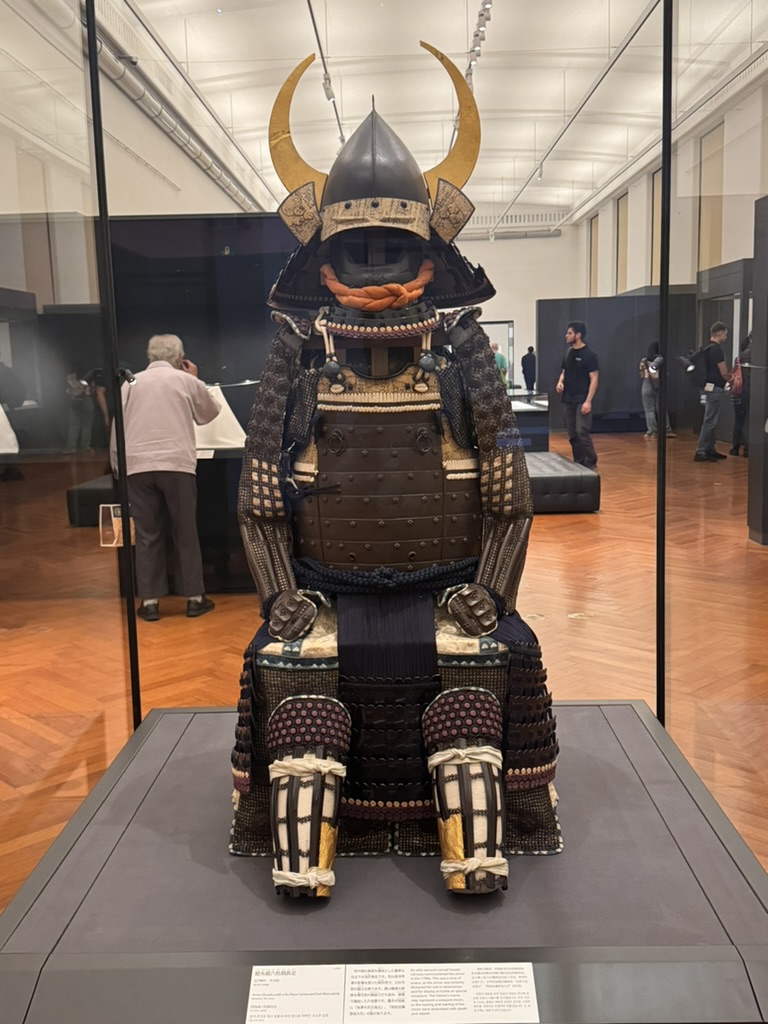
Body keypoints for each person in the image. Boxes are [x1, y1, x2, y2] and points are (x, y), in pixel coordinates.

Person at [112, 334, 221, 620]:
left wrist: (116, 465)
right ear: (179, 357)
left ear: (149, 356)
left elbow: (117, 428)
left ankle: (149, 602)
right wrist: (196, 378)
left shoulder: (130, 383)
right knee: (185, 531)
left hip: (137, 465)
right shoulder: (184, 380)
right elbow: (209, 414)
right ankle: (195, 598)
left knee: (147, 534)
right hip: (177, 464)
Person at [556, 320, 599, 469]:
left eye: (569, 333)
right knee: (572, 433)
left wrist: (588, 401)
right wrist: (560, 382)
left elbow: (594, 378)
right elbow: (564, 371)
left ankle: (591, 461)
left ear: (578, 335)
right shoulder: (567, 353)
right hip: (568, 398)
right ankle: (579, 463)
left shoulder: (589, 355)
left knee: (582, 432)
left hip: (582, 399)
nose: (566, 336)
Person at [693, 321, 731, 463]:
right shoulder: (717, 350)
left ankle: (710, 449)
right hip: (715, 389)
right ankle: (702, 450)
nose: (726, 337)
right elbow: (723, 371)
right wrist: (732, 379)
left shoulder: (706, 348)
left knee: (711, 419)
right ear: (720, 333)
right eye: (725, 334)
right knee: (710, 421)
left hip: (707, 387)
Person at [639, 342, 675, 439]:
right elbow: (665, 374)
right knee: (662, 409)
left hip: (646, 385)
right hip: (659, 385)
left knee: (649, 410)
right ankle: (667, 430)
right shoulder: (661, 360)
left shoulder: (644, 360)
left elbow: (642, 374)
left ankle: (652, 431)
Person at [729, 334, 751, 457]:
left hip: (736, 394)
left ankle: (735, 447)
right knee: (748, 421)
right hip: (746, 393)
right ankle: (747, 449)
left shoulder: (738, 359)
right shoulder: (751, 359)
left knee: (738, 420)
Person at [64, 366, 94, 452]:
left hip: (79, 401)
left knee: (76, 425)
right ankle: (84, 446)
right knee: (85, 426)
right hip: (85, 401)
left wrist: (71, 390)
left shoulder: (72, 378)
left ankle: (72, 447)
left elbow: (76, 390)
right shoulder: (87, 379)